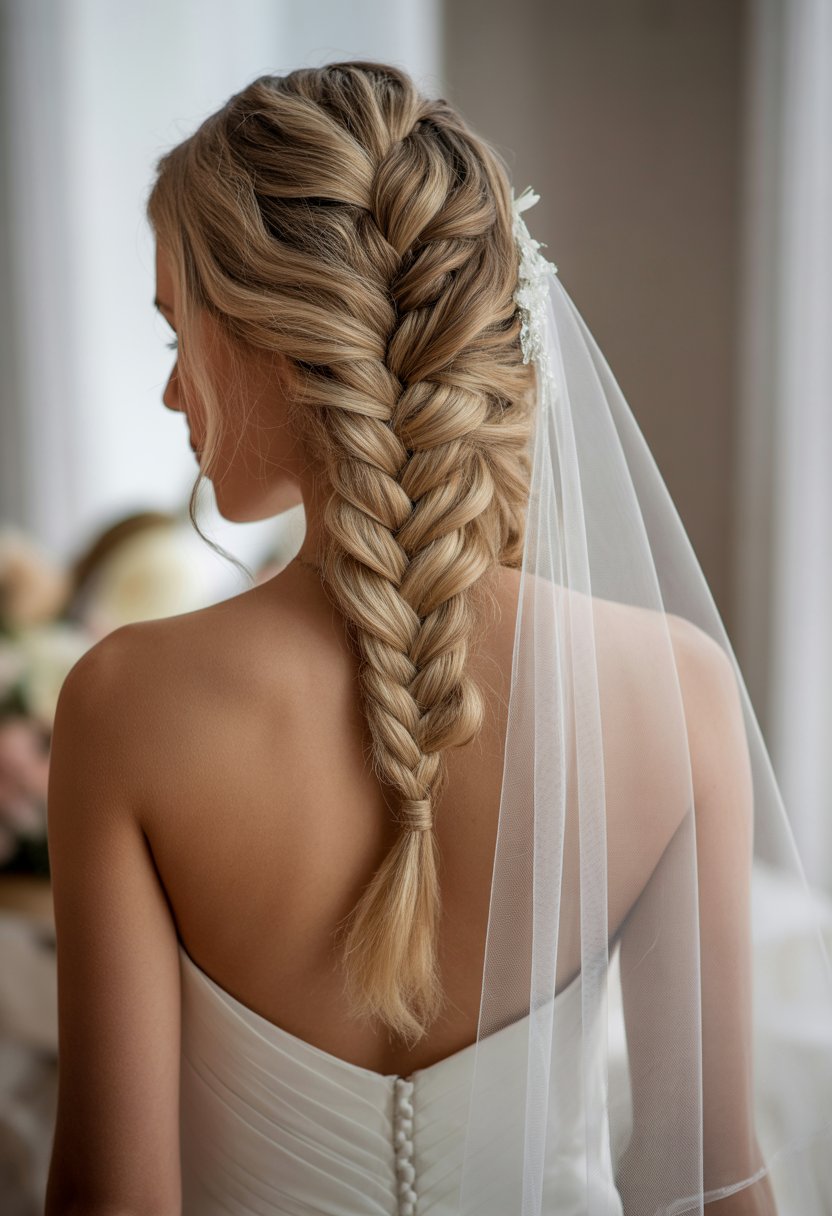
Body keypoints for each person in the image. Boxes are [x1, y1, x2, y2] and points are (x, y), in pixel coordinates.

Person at [43, 61, 832, 1216]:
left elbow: (113, 1203)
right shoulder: (677, 690)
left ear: (282, 336)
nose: (172, 394)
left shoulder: (125, 703)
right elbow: (704, 1180)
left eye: (178, 333)